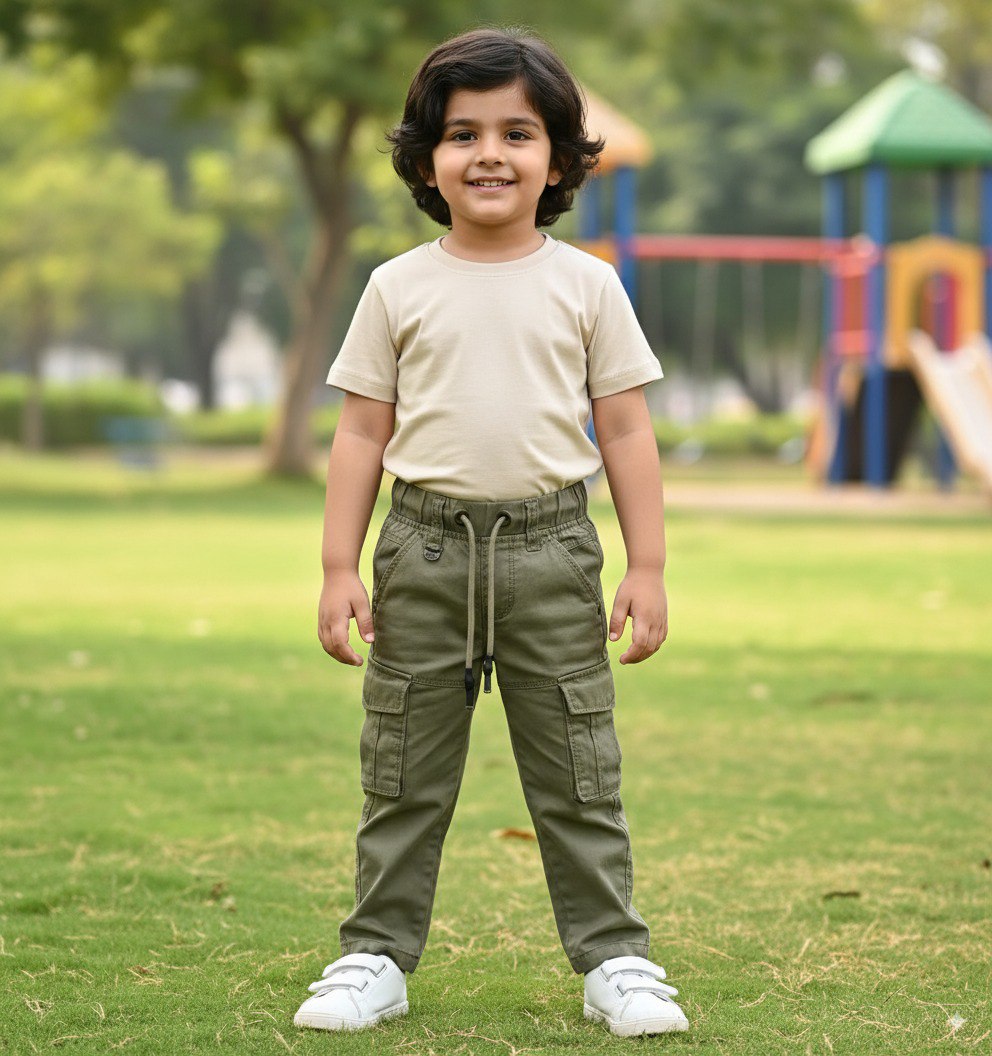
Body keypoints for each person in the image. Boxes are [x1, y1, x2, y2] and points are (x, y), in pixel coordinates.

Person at [293, 25, 688, 1038]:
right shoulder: (396, 286)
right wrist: (338, 566)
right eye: (462, 133)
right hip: (421, 555)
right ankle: (373, 957)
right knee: (401, 772)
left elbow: (626, 431)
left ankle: (615, 961)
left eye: (517, 133)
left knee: (578, 772)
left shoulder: (588, 285)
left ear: (557, 158)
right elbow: (360, 434)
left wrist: (646, 565)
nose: (489, 154)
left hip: (551, 557)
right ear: (427, 157)